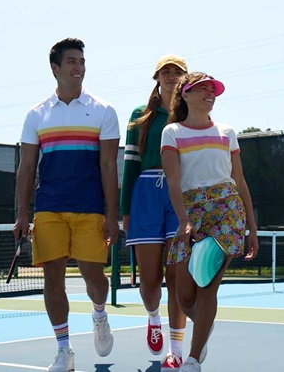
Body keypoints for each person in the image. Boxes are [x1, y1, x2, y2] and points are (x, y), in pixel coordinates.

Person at [13, 37, 120, 372]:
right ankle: (64, 351)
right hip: (49, 208)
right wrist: (21, 215)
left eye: (82, 62)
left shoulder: (103, 111)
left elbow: (107, 166)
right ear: (55, 68)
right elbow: (27, 167)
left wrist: (112, 215)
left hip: (91, 208)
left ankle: (99, 313)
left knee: (94, 276)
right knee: (52, 278)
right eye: (72, 61)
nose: (79, 67)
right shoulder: (36, 115)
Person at [161, 72, 259, 372]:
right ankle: (205, 324)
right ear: (185, 95)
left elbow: (239, 181)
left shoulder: (227, 132)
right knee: (184, 295)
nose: (209, 94)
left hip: (227, 210)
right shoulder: (172, 133)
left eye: (212, 90)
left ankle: (192, 359)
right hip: (190, 212)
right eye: (201, 89)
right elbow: (174, 183)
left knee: (207, 287)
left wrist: (251, 228)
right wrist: (184, 220)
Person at [120, 54, 189, 371]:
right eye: (167, 72)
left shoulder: (189, 113)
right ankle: (152, 318)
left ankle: (175, 350)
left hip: (180, 197)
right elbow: (130, 164)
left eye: (178, 72)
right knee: (150, 281)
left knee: (177, 277)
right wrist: (125, 211)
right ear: (157, 78)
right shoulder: (140, 116)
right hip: (145, 196)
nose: (172, 76)